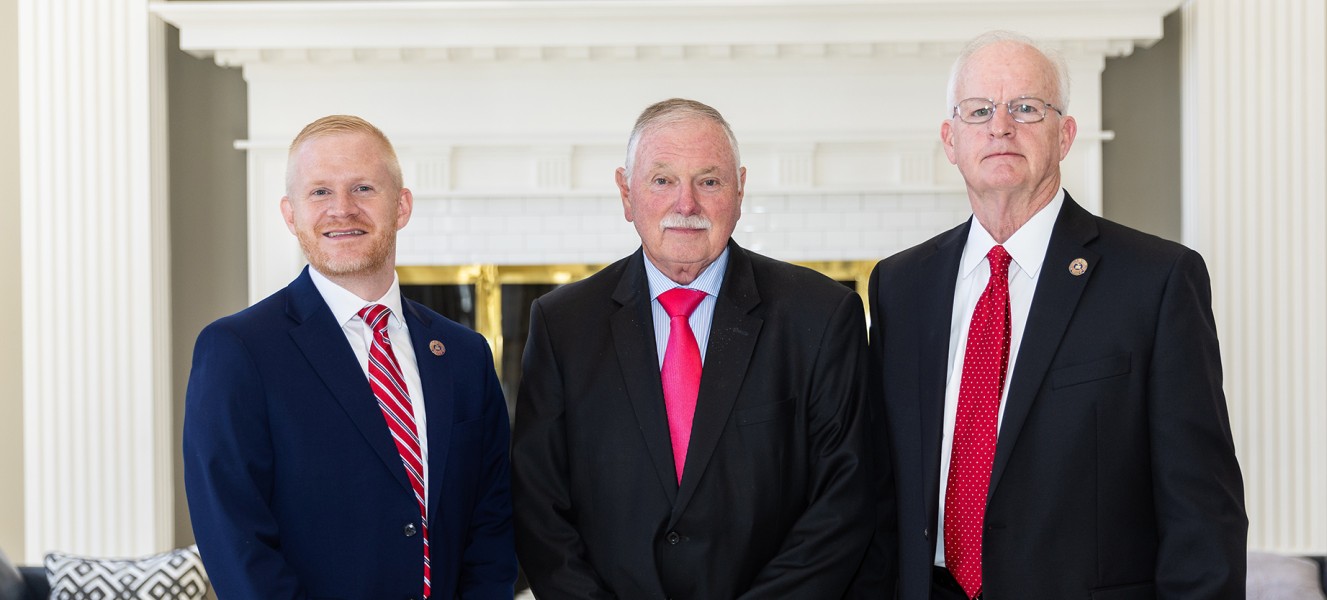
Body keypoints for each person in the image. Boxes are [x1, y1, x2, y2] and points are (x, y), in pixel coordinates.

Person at [868, 32, 1247, 599]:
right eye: (978, 111)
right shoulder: (901, 285)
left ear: (1064, 135)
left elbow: (1203, 510)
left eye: (1025, 107)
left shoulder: (1157, 280)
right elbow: (879, 481)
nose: (1000, 127)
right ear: (950, 140)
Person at [511, 98, 882, 598]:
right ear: (626, 194)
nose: (686, 204)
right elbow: (539, 508)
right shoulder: (563, 325)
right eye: (662, 180)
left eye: (709, 181)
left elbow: (846, 499)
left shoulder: (819, 315)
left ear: (740, 190)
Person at [184, 115, 516, 599]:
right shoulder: (238, 351)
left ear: (401, 206)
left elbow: (492, 522)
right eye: (319, 192)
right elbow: (237, 542)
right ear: (290, 213)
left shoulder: (464, 354)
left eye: (363, 187)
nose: (342, 210)